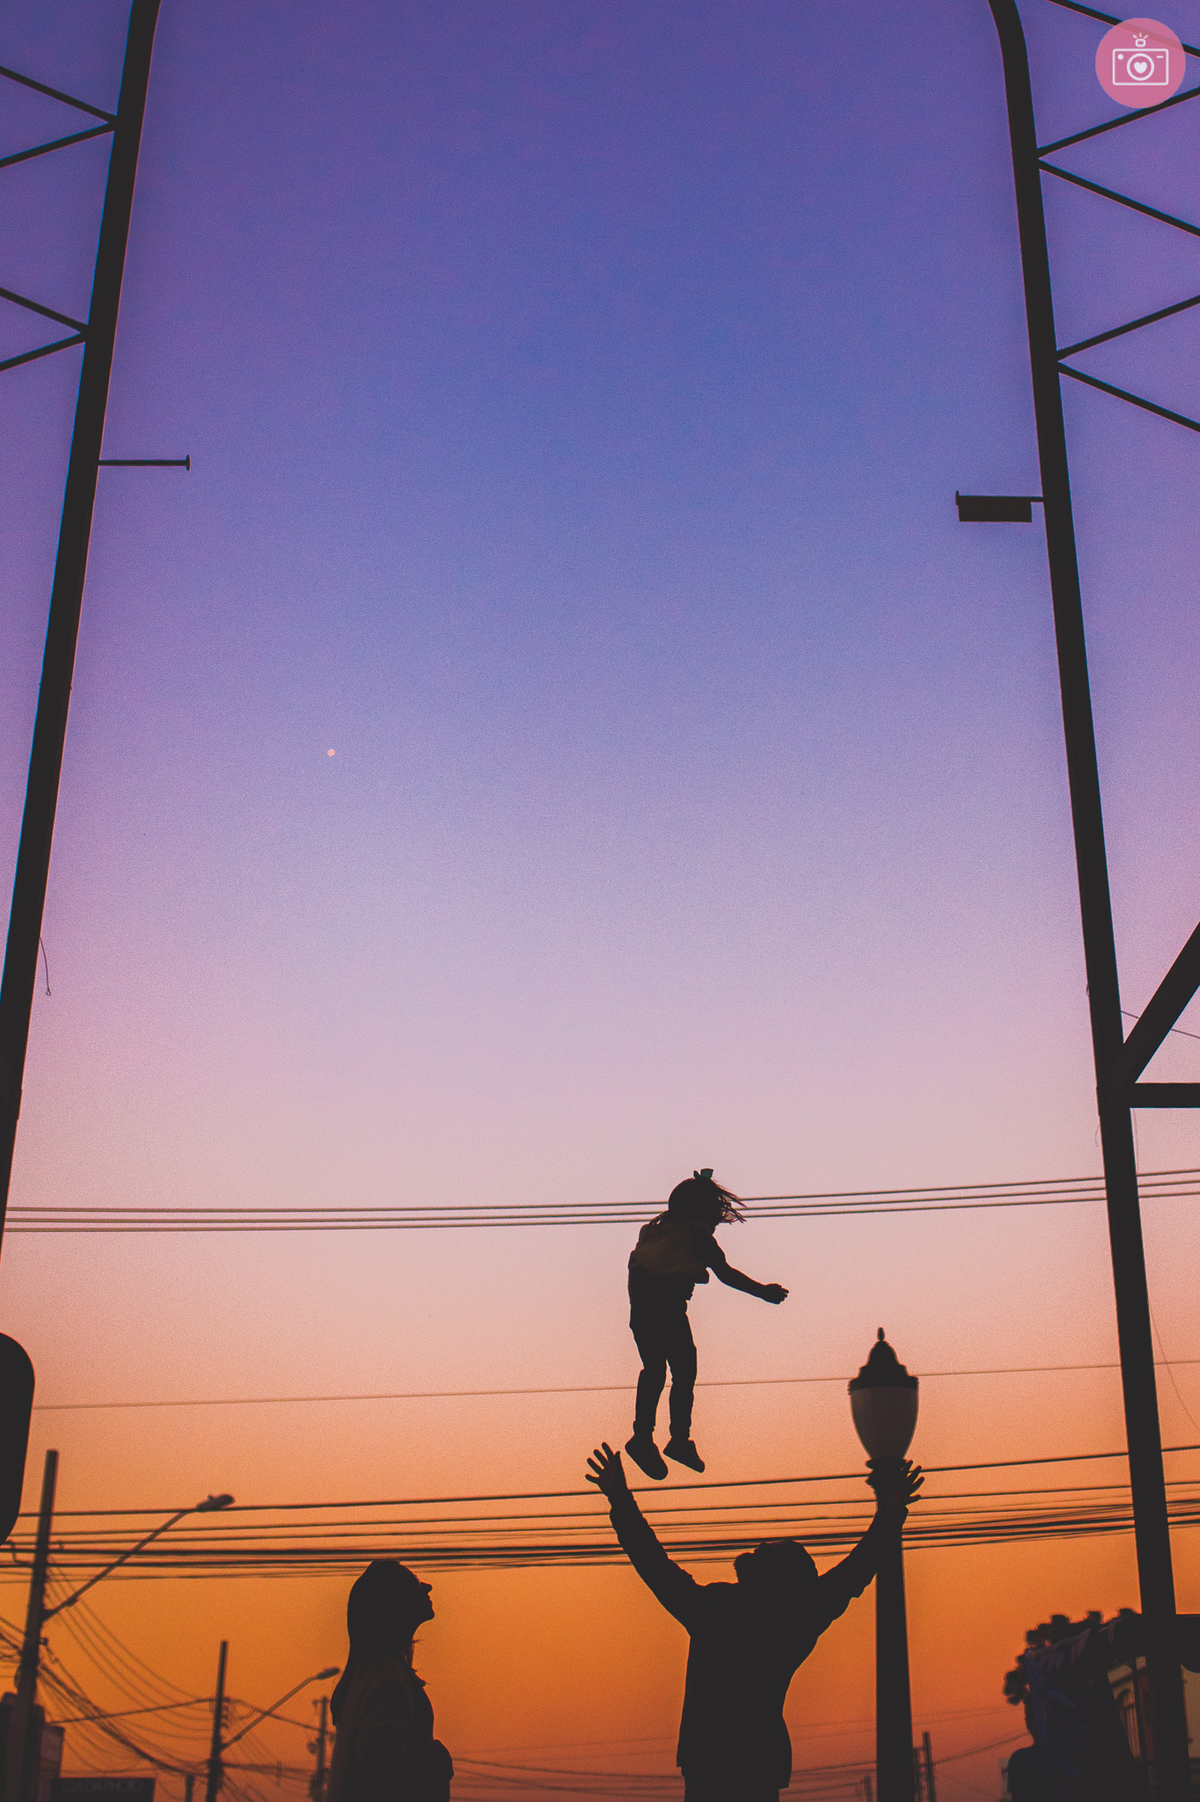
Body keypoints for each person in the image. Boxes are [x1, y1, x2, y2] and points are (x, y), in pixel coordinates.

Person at [585, 1441, 922, 1802]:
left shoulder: (770, 1610)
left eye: (772, 1547)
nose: (760, 1546)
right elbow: (655, 1565)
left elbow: (654, 1564)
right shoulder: (743, 1608)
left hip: (722, 1771)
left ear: (787, 1576)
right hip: (729, 1771)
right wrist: (889, 1513)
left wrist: (620, 1500)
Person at [625, 1169, 788, 1477]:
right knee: (684, 1370)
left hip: (641, 1310)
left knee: (654, 1370)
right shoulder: (697, 1236)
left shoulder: (656, 1231)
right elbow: (725, 1274)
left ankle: (643, 1436)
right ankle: (679, 1439)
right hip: (667, 1305)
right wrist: (763, 1292)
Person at [327, 1560, 453, 1802]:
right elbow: (381, 1778)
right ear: (390, 1603)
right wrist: (436, 1762)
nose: (426, 1587)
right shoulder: (386, 1679)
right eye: (412, 1583)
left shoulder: (379, 1674)